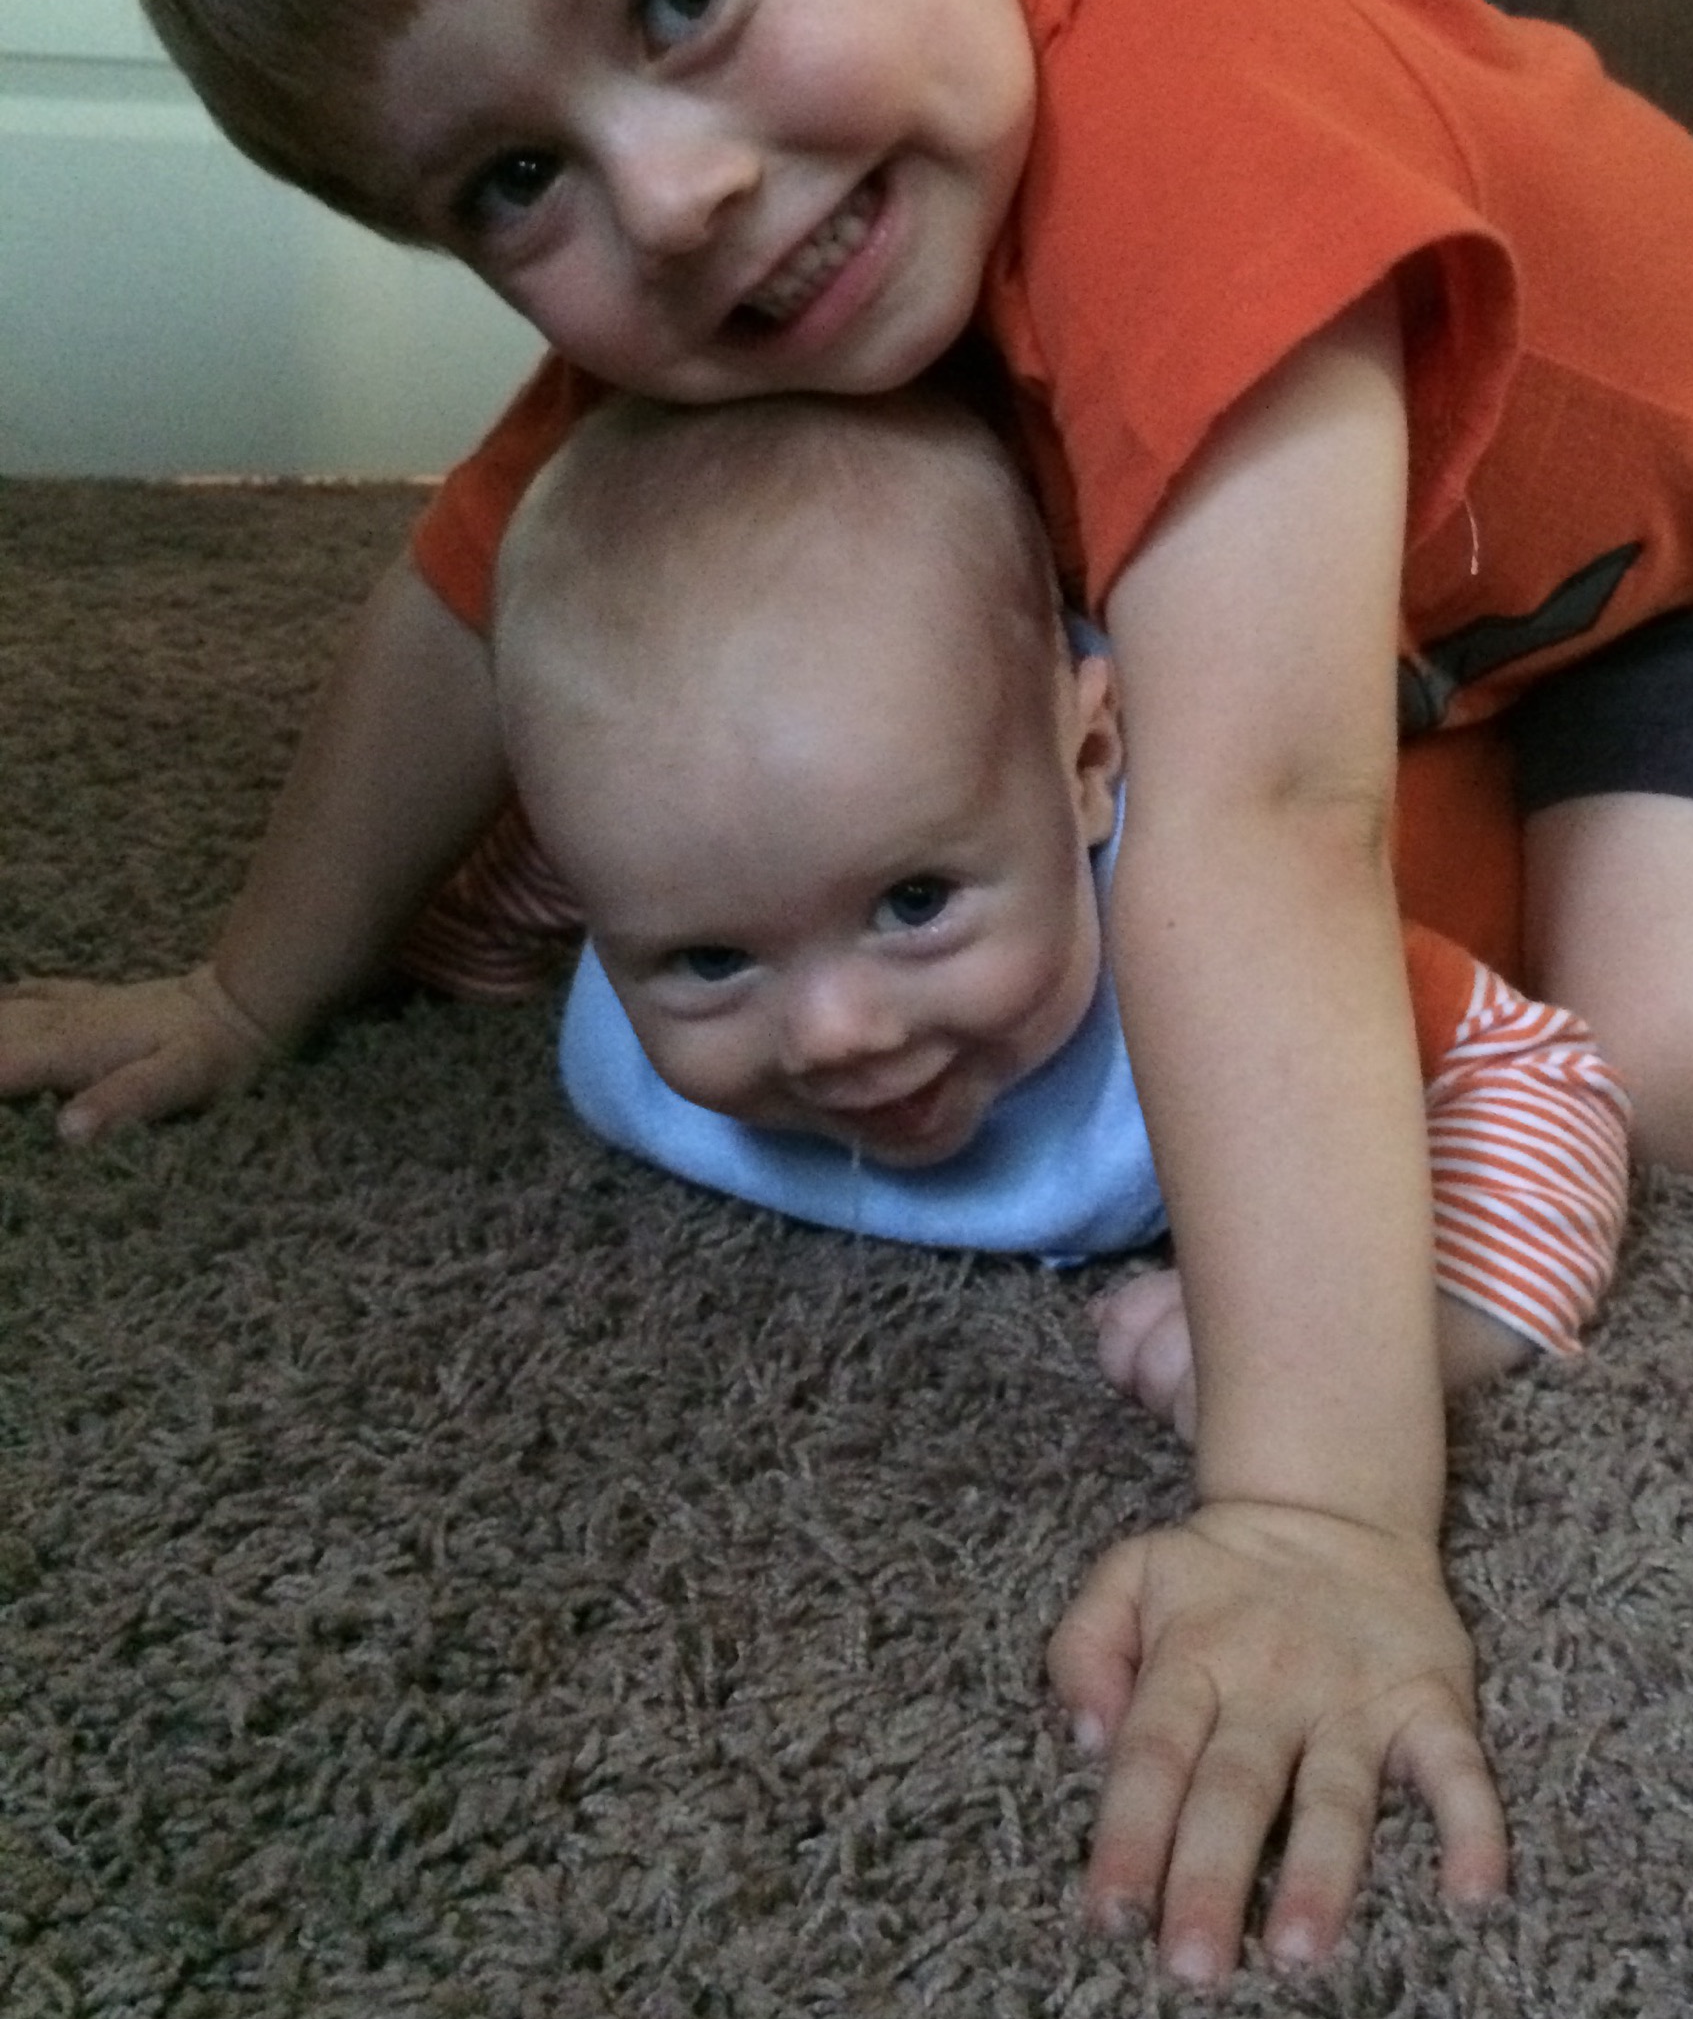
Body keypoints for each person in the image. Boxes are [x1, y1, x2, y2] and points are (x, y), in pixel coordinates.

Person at [0, 0, 1693, 1982]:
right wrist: (244, 987)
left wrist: (1310, 1522)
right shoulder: (774, 229)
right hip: (1403, 617)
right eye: (511, 177)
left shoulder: (1191, 90)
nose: (668, 196)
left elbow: (1256, 819)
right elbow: (487, 588)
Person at [488, 385, 1632, 1431]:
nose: (836, 1033)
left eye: (914, 903)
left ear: (1087, 766)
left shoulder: (1215, 943)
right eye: (712, 960)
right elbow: (532, 887)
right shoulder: (661, 853)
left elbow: (1531, 1074)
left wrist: (1384, 1334)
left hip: (1506, 726)